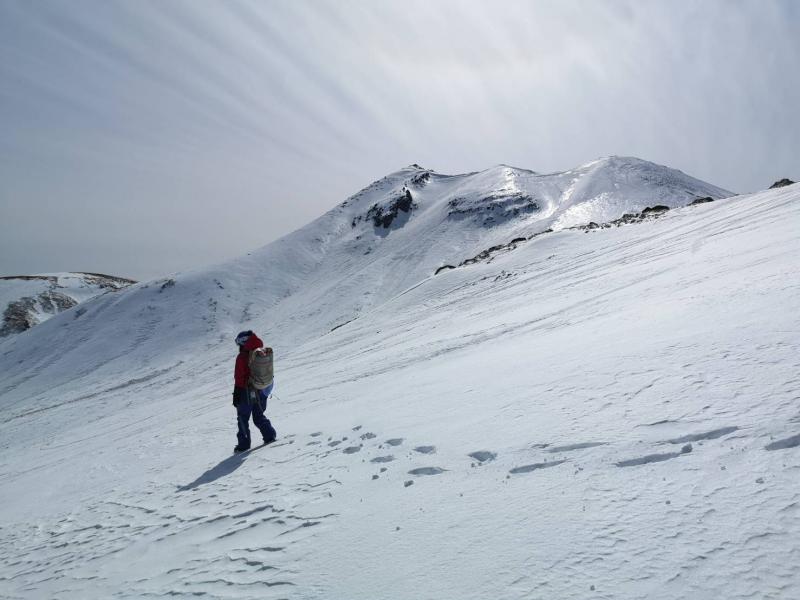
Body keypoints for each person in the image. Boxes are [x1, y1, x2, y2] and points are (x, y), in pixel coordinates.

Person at [232, 330, 277, 453]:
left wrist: (236, 394)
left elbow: (239, 377)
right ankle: (270, 435)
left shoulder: (242, 357)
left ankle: (244, 444)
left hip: (246, 392)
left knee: (242, 418)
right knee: (258, 416)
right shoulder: (261, 352)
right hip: (263, 389)